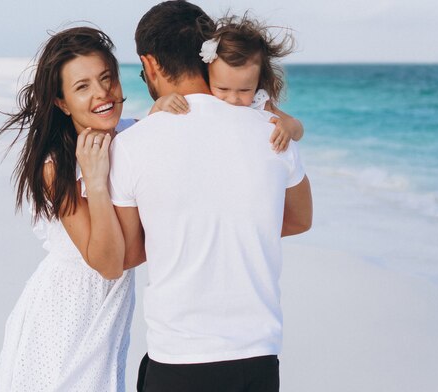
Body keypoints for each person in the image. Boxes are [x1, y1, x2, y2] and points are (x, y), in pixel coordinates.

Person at [107, 1, 313, 391]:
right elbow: (300, 219)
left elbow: (130, 253)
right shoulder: (273, 131)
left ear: (149, 64)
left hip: (180, 356)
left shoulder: (134, 144)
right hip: (258, 355)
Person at [0, 27, 136, 392]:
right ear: (62, 103)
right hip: (66, 310)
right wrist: (96, 182)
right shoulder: (57, 166)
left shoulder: (135, 136)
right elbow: (106, 263)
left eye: (106, 79)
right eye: (82, 87)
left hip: (108, 307)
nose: (102, 94)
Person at [150, 14, 303, 153]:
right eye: (223, 88)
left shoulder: (260, 102)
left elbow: (297, 128)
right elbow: (150, 128)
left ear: (258, 82)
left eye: (244, 90)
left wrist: (288, 127)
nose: (233, 98)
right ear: (208, 76)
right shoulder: (199, 100)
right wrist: (160, 104)